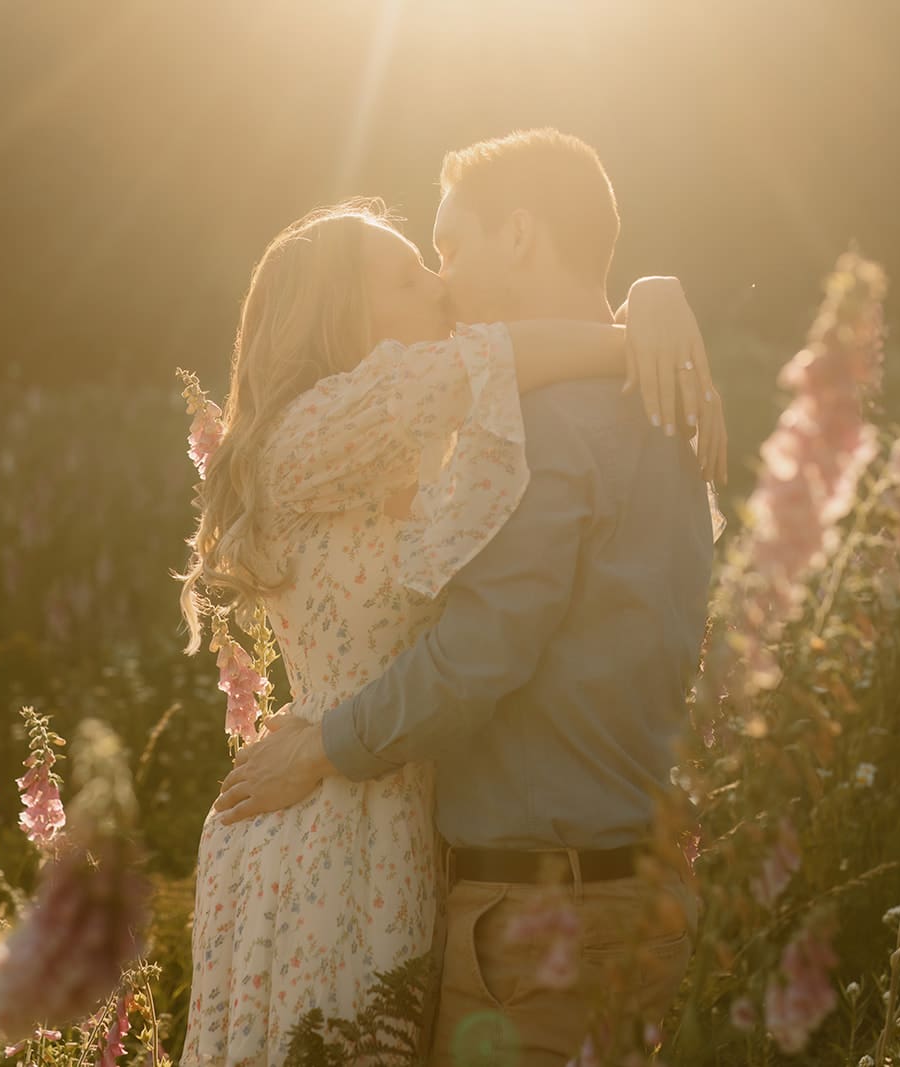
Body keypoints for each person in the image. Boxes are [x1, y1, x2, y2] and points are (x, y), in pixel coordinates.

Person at [178, 135, 722, 1065]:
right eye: (412, 271)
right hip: (503, 875)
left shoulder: (536, 429)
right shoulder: (659, 403)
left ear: (517, 237)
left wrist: (326, 743)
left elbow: (480, 656)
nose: (440, 280)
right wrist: (650, 315)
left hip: (526, 905)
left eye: (447, 247)